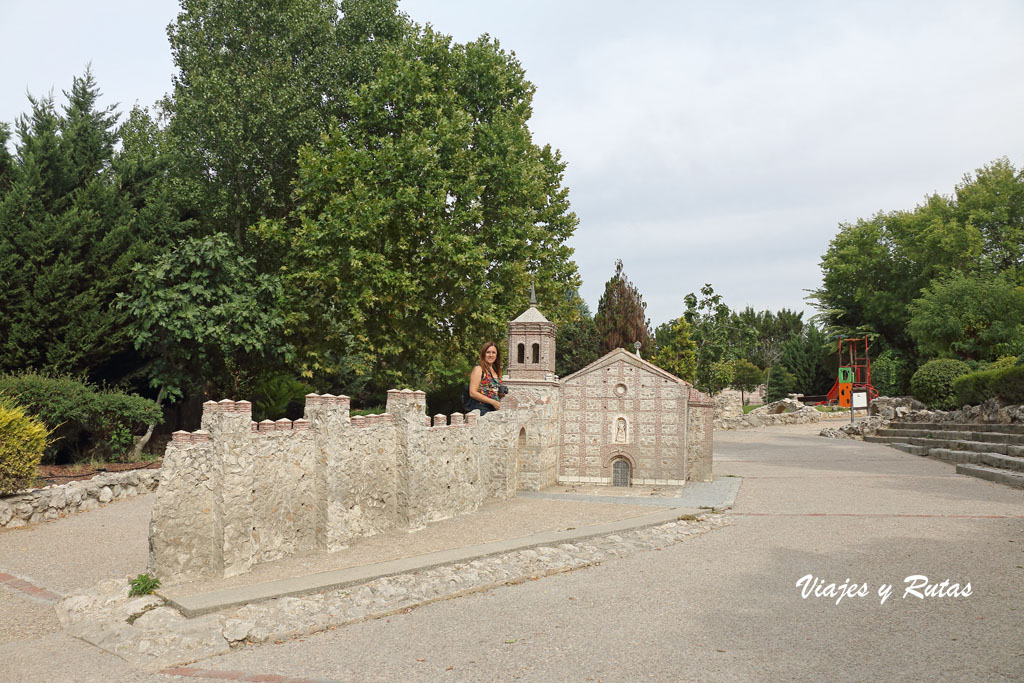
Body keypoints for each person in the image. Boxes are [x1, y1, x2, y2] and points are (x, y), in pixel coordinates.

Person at [466, 341, 504, 415]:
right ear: (483, 354)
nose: (491, 355)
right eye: (488, 352)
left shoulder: (496, 371)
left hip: (494, 409)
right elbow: (472, 393)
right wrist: (493, 402)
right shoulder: (479, 369)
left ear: (497, 355)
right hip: (481, 409)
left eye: (493, 353)